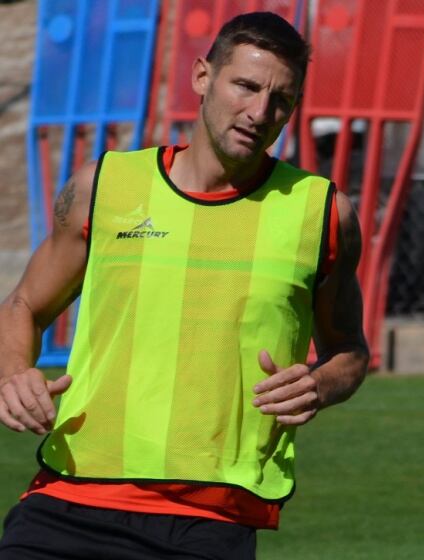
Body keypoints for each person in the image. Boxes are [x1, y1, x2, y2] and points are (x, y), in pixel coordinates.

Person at [0, 11, 369, 559]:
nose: (259, 112)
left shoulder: (321, 213)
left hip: (209, 520)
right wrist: (14, 375)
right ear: (202, 77)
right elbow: (24, 303)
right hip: (68, 497)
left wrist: (319, 385)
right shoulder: (104, 186)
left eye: (280, 100)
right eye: (244, 85)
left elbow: (349, 352)